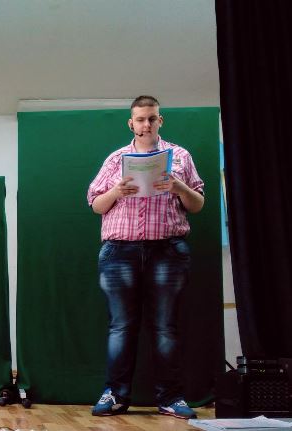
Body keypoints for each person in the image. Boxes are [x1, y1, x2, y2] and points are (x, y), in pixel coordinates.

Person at [87, 95, 204, 419]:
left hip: (168, 250)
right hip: (119, 252)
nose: (146, 124)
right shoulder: (116, 159)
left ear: (160, 120)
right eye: (140, 119)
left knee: (165, 327)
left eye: (152, 118)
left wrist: (179, 187)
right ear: (131, 123)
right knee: (120, 327)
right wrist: (116, 191)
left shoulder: (180, 156)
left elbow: (198, 204)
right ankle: (115, 395)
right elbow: (95, 204)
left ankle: (171, 398)